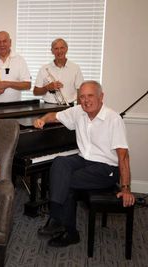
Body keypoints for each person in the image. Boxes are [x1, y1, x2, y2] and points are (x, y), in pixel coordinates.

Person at [34, 80, 135, 247]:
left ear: (101, 97)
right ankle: (57, 218)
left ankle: (67, 229)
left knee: (65, 181)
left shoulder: (113, 119)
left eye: (90, 96)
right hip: (84, 160)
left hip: (106, 168)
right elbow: (54, 116)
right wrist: (42, 119)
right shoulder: (78, 111)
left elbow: (123, 156)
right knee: (60, 163)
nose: (86, 100)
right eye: (82, 97)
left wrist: (125, 188)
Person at [33, 38, 84, 104]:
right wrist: (47, 87)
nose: (59, 51)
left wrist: (78, 110)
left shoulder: (75, 68)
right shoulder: (44, 68)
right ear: (52, 51)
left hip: (68, 107)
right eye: (56, 48)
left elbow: (80, 91)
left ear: (66, 49)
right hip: (48, 107)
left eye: (62, 48)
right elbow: (36, 92)